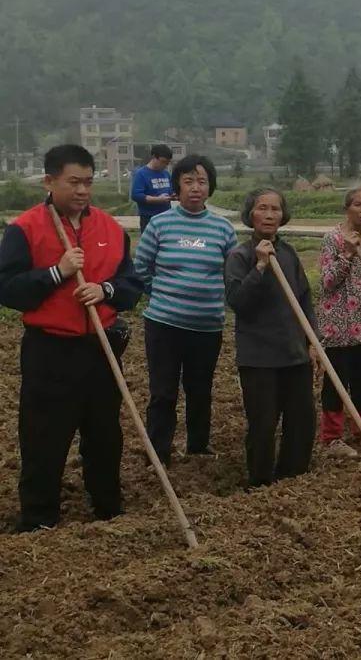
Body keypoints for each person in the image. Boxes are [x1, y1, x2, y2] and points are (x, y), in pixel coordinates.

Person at [0, 145, 142, 531]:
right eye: (73, 182)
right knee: (43, 436)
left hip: (100, 346)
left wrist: (105, 291)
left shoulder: (111, 229)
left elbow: (131, 285)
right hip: (50, 349)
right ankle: (39, 519)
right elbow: (8, 290)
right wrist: (56, 273)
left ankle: (108, 510)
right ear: (50, 181)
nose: (82, 190)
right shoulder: (24, 228)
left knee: (104, 434)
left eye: (88, 182)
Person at [135, 154, 237, 467]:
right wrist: (163, 294)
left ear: (210, 188)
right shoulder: (160, 223)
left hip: (207, 327)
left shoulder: (223, 229)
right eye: (188, 181)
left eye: (202, 181)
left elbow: (232, 275)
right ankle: (159, 451)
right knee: (163, 391)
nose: (195, 187)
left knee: (200, 389)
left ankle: (197, 445)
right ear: (177, 186)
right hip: (163, 324)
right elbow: (140, 267)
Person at [225, 189, 316, 488]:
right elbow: (239, 301)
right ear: (251, 214)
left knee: (301, 419)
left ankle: (294, 475)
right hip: (259, 356)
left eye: (275, 209)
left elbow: (304, 298)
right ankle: (261, 480)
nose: (269, 214)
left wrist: (312, 340)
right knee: (263, 423)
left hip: (294, 351)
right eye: (262, 208)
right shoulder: (240, 256)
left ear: (282, 215)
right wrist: (261, 266)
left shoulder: (288, 253)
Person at [316, 186, 361, 458]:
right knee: (337, 381)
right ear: (347, 207)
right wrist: (346, 254)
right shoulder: (333, 239)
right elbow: (326, 281)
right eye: (358, 204)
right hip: (338, 323)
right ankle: (332, 437)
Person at [130, 144, 175, 231]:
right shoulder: (141, 174)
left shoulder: (166, 174)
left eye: (167, 163)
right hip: (149, 218)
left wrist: (173, 195)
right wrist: (157, 199)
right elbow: (136, 195)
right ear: (154, 157)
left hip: (166, 216)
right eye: (163, 162)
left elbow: (170, 190)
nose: (165, 165)